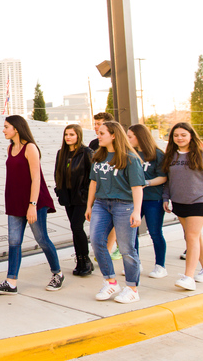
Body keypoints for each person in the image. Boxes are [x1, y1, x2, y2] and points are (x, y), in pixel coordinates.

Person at [0, 115, 64, 295]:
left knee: (42, 239)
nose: (3, 130)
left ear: (16, 128)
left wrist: (32, 204)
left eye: (6, 126)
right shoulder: (10, 148)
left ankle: (57, 273)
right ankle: (11, 282)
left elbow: (36, 178)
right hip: (15, 202)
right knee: (14, 242)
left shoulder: (30, 148)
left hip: (34, 201)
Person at [162, 122, 203, 290]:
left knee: (191, 236)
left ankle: (189, 277)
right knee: (194, 237)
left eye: (183, 134)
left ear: (191, 135)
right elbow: (168, 181)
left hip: (200, 201)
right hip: (179, 202)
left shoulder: (202, 154)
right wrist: (166, 197)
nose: (179, 138)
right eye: (176, 135)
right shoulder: (170, 156)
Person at [85, 120, 144, 303]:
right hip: (102, 204)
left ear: (113, 135)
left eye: (102, 133)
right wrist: (89, 206)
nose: (98, 135)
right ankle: (110, 282)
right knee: (96, 240)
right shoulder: (98, 156)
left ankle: (132, 289)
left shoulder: (130, 158)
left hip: (124, 205)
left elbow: (137, 187)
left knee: (127, 248)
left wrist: (136, 211)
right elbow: (93, 183)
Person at [127, 124, 168, 278]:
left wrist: (146, 183)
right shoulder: (131, 154)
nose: (128, 139)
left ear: (140, 137)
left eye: (130, 136)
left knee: (155, 232)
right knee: (131, 233)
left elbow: (163, 177)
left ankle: (160, 266)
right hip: (134, 200)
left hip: (153, 199)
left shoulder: (157, 154)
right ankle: (135, 264)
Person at [53, 124, 94, 276]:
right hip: (67, 197)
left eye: (71, 134)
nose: (68, 137)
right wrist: (59, 191)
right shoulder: (61, 153)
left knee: (77, 227)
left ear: (78, 136)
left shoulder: (86, 152)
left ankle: (85, 260)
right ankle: (80, 260)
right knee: (74, 228)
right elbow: (57, 173)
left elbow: (92, 176)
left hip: (82, 197)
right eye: (66, 134)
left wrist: (87, 194)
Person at [88, 112, 121, 261]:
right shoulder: (94, 145)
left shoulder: (120, 147)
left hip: (116, 193)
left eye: (99, 124)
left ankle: (108, 249)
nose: (96, 127)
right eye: (95, 124)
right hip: (99, 191)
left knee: (114, 222)